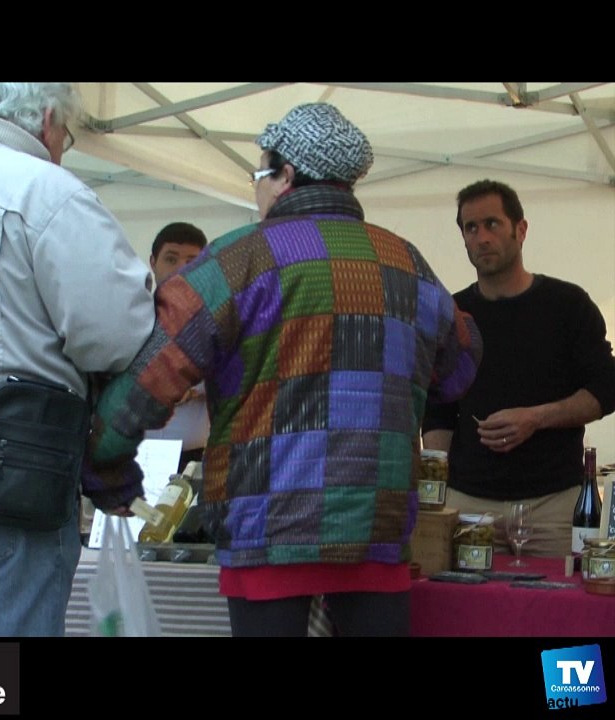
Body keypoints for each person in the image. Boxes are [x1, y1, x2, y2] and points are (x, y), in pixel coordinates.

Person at [88, 103, 482, 637]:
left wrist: (106, 467)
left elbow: (151, 373)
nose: (256, 190)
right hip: (375, 525)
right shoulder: (406, 263)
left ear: (286, 175)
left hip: (267, 526)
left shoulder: (238, 260)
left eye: (258, 176)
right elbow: (459, 370)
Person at [0, 82, 155, 636]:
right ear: (48, 119)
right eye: (66, 133)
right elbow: (117, 337)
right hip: (8, 481)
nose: (62, 145)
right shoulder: (48, 192)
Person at [423, 180, 615, 557]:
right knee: (458, 597)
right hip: (468, 505)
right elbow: (436, 407)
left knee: (561, 596)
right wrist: (438, 492)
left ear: (521, 229)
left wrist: (536, 418)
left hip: (553, 505)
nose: (482, 237)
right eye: (471, 228)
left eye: (492, 224)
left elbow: (606, 388)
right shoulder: (451, 313)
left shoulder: (568, 306)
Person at [143, 222, 210, 473]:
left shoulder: (219, 322)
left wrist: (189, 389)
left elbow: (237, 377)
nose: (181, 269)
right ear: (153, 262)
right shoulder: (130, 319)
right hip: (136, 453)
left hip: (193, 458)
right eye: (171, 259)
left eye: (192, 261)